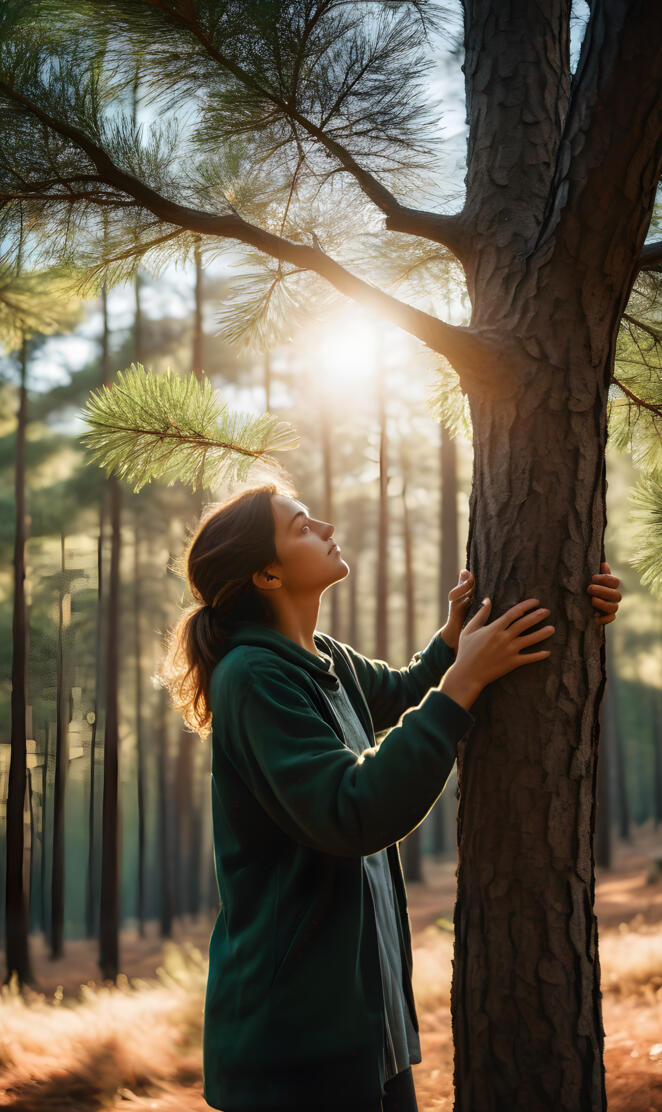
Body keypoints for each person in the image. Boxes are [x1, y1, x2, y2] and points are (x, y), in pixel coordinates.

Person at [161, 481, 622, 1112]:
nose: (325, 525)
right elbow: (351, 810)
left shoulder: (324, 660)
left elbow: (408, 689)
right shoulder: (253, 676)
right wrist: (461, 684)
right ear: (267, 574)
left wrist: (540, 616)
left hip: (365, 1033)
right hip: (295, 1050)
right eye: (301, 526)